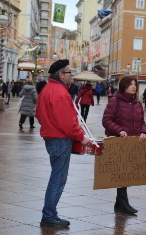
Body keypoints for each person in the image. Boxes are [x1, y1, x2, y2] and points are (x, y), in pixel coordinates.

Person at [36, 59, 92, 228]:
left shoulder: (47, 89)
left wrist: (50, 125)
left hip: (52, 138)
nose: (71, 75)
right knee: (58, 179)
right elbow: (67, 123)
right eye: (69, 72)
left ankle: (49, 214)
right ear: (61, 74)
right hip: (60, 140)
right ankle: (49, 216)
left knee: (56, 176)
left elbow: (39, 114)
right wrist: (82, 137)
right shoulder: (60, 92)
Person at [102, 75, 146, 215]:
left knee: (127, 172)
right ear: (123, 86)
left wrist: (143, 132)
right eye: (130, 84)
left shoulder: (137, 103)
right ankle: (124, 203)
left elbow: (142, 122)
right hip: (119, 143)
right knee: (122, 173)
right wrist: (119, 130)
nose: (134, 86)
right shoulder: (114, 101)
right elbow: (106, 120)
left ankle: (119, 203)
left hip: (133, 143)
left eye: (135, 84)